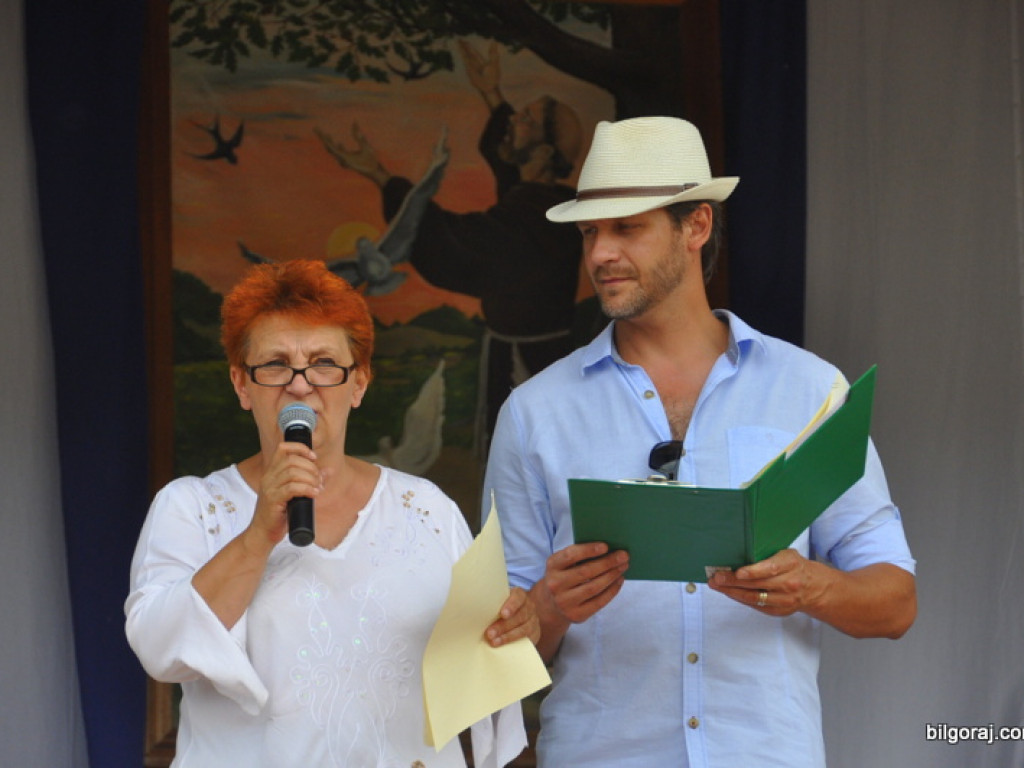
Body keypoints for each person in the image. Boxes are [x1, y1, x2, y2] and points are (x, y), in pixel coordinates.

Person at [482, 117, 917, 767]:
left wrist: (811, 587)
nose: (599, 253)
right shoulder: (533, 413)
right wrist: (549, 606)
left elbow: (896, 602)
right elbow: (489, 650)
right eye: (590, 232)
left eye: (626, 227)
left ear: (697, 227)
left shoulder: (811, 391)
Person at [125, 260, 537, 767]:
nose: (301, 386)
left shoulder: (426, 508)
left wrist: (515, 629)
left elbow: (479, 658)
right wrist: (258, 535)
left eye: (323, 363)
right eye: (275, 364)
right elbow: (160, 650)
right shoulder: (192, 507)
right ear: (241, 384)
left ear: (358, 382)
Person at [316, 40, 586, 456]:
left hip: (533, 366)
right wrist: (491, 93)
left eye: (526, 119)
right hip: (519, 353)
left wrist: (382, 177)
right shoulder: (540, 200)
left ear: (546, 152)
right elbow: (509, 166)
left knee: (527, 467)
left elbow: (453, 242)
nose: (513, 119)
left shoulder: (535, 222)